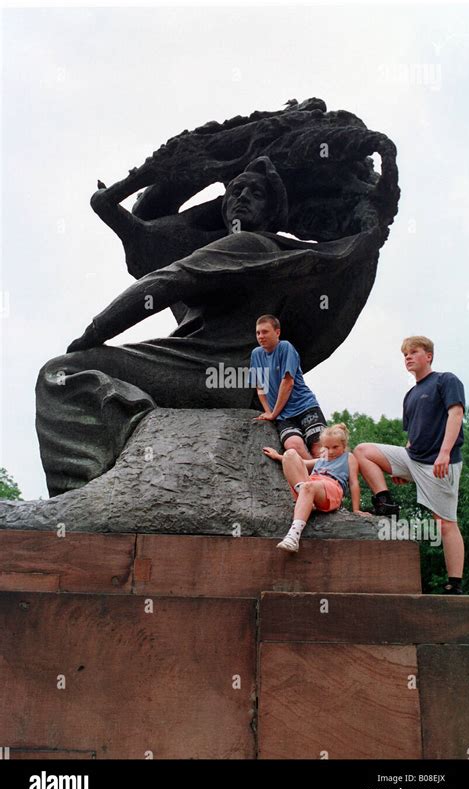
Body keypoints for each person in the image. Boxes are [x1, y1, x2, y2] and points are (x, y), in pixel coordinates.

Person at [36, 155, 380, 497]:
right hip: (221, 374)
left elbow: (168, 281)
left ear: (272, 213)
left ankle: (82, 491)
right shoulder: (248, 256)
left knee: (62, 373)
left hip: (210, 372)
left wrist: (93, 334)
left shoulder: (249, 244)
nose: (242, 197)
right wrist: (116, 214)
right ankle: (133, 446)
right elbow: (159, 256)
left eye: (255, 193)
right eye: (235, 192)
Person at [354, 336, 466, 595]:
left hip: (440, 462)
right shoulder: (410, 394)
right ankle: (385, 503)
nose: (407, 357)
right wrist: (402, 466)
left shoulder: (446, 380)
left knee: (445, 523)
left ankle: (455, 584)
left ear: (428, 356)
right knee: (363, 451)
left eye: (413, 352)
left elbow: (456, 414)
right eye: (405, 354)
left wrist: (444, 453)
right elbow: (412, 435)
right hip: (413, 457)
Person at [263, 423, 369, 552]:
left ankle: (293, 536)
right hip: (310, 484)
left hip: (331, 488)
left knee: (308, 486)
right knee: (290, 454)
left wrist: (356, 509)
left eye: (335, 447)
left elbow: (354, 483)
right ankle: (306, 498)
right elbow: (301, 463)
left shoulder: (349, 457)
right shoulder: (322, 459)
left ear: (344, 445)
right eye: (327, 447)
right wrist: (277, 456)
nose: (330, 451)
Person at [250, 315, 326, 458]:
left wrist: (273, 413)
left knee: (318, 449)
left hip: (304, 407)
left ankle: (325, 478)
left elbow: (288, 383)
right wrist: (268, 411)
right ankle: (310, 478)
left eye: (265, 332)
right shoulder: (256, 354)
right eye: (258, 333)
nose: (260, 336)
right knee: (294, 446)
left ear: (277, 332)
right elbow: (260, 386)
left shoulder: (285, 347)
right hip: (283, 416)